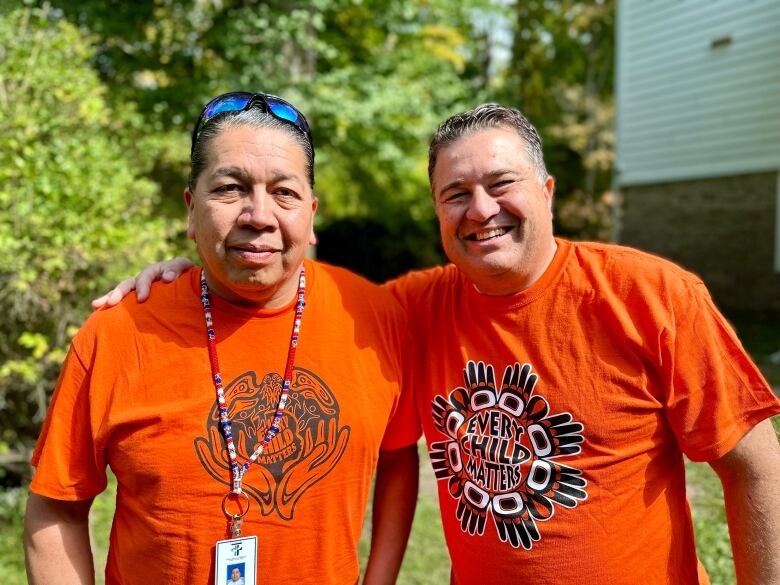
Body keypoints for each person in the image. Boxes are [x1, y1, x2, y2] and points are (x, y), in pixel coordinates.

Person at [96, 104, 780, 584]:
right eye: (455, 193)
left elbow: (755, 465)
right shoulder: (408, 307)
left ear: (546, 191)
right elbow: (279, 284)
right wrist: (192, 277)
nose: (479, 209)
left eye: (501, 183)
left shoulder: (652, 295)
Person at [24, 91, 419, 585]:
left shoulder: (376, 318)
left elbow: (399, 455)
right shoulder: (118, 332)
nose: (258, 214)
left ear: (312, 214)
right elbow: (56, 507)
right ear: (191, 210)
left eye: (285, 192)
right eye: (230, 188)